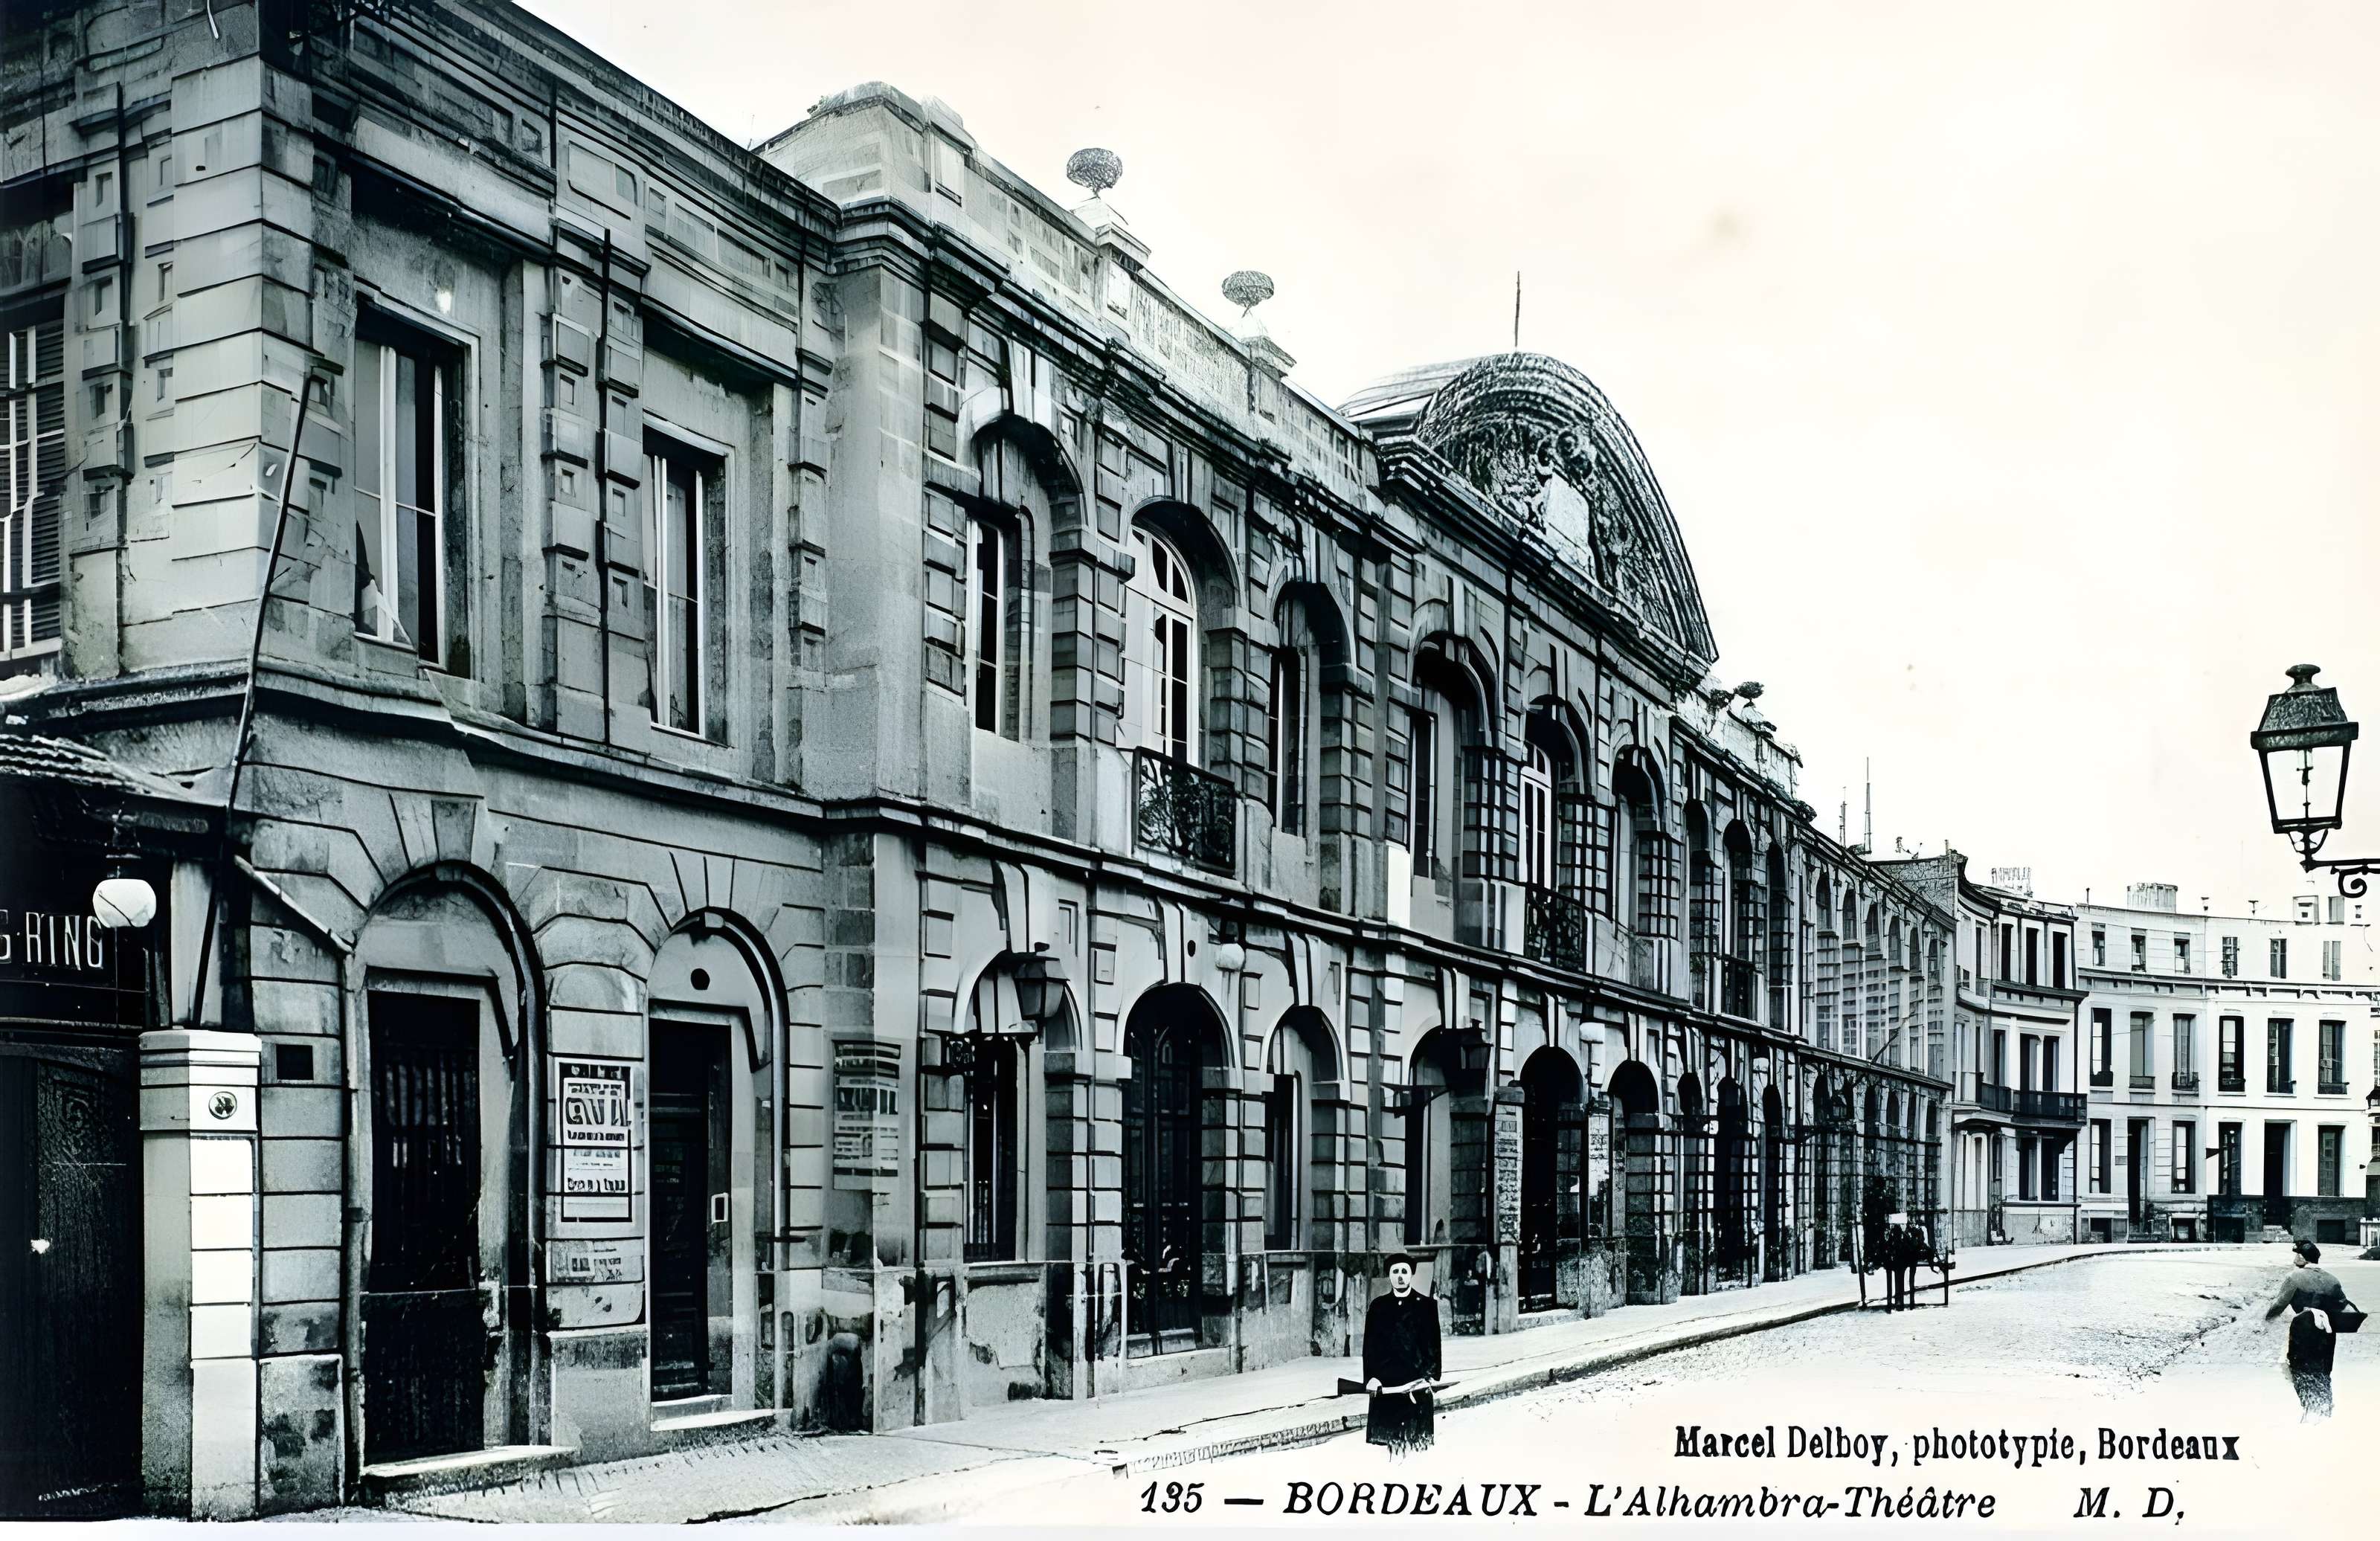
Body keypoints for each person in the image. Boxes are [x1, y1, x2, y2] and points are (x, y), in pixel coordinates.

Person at [1363, 1253, 1443, 1456]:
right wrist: (1370, 1378)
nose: (1400, 1276)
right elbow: (1370, 1347)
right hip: (1386, 1386)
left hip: (1416, 1387)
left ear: (1411, 1275)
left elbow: (1434, 1344)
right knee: (1385, 1449)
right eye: (1395, 1272)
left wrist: (1431, 1376)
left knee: (1417, 1447)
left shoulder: (1426, 1306)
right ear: (1389, 1276)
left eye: (1404, 1272)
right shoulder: (1378, 1307)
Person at [2265, 1238, 2350, 1420]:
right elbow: (2342, 1304)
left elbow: (2279, 1304)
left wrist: (2267, 1319)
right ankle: (2325, 1410)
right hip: (2327, 1331)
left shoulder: (2294, 1277)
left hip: (2303, 1328)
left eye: (2297, 1254)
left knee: (2300, 1368)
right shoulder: (2332, 1280)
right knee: (2323, 1369)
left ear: (2303, 1259)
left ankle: (2310, 1409)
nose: (2295, 1257)